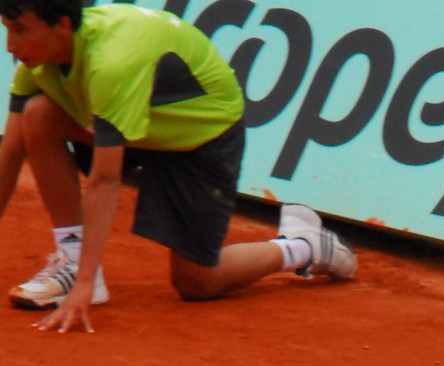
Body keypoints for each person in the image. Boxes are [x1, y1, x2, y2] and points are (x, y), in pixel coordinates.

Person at [0, 0, 355, 333]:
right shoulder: (39, 62)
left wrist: (84, 285)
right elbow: (11, 152)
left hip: (200, 134)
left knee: (197, 282)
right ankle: (72, 255)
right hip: (140, 123)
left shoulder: (109, 63)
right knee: (38, 115)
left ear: (62, 25)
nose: (10, 46)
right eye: (7, 30)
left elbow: (105, 180)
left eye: (21, 31)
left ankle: (302, 245)